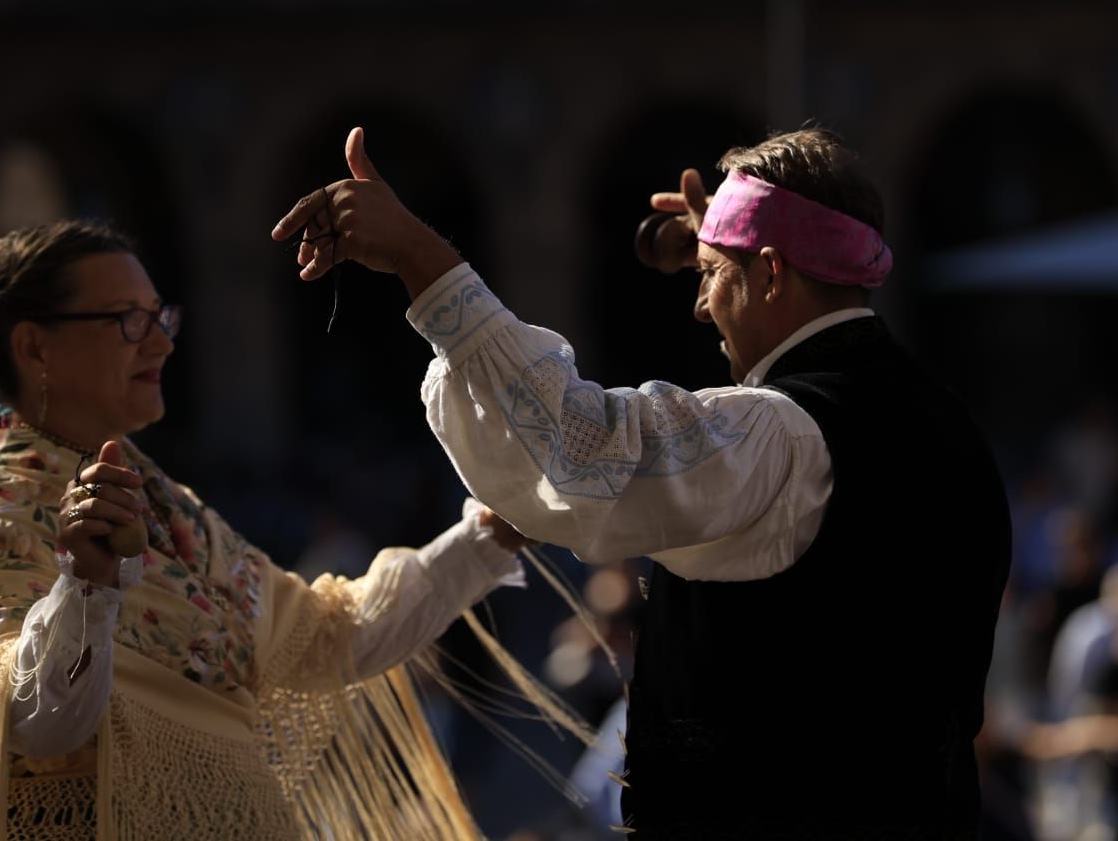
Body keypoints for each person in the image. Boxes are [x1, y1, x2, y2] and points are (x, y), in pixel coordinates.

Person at [273, 125, 1013, 838]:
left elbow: (576, 449)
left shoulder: (785, 434)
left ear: (774, 273)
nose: (699, 304)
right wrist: (728, 254)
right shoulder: (942, 424)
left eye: (715, 276)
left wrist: (419, 257)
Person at [0, 218, 554, 839]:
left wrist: (493, 531)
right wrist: (85, 590)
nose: (161, 344)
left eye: (160, 316)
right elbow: (24, 724)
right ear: (35, 348)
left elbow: (323, 636)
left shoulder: (163, 500)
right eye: (127, 320)